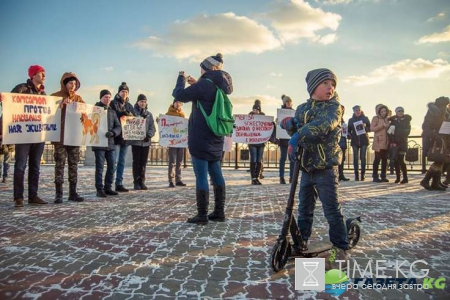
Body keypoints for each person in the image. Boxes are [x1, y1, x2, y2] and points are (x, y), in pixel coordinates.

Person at [281, 68, 349, 270]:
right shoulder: (302, 108)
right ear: (313, 87)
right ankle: (301, 243)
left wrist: (296, 134)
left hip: (325, 167)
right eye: (326, 83)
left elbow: (322, 125)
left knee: (331, 210)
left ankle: (341, 247)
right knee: (304, 210)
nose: (330, 87)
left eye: (333, 84)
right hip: (307, 167)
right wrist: (290, 125)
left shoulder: (334, 108)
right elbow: (299, 128)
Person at [172, 53, 233, 224]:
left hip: (200, 136)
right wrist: (196, 84)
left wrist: (181, 78)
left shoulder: (204, 85)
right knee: (216, 172)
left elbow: (179, 95)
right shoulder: (220, 85)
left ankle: (202, 215)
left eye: (201, 67)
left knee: (201, 176)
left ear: (206, 68)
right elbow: (206, 94)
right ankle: (219, 212)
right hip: (216, 136)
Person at [7, 65, 48, 207]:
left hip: (38, 136)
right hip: (23, 136)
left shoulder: (43, 94)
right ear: (33, 75)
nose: (44, 76)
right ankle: (18, 197)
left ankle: (33, 195)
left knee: (35, 166)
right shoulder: (21, 88)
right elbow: (8, 105)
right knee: (20, 166)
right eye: (41, 73)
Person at [51, 72, 85, 203]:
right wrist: (60, 106)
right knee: (59, 164)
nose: (73, 86)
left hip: (74, 137)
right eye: (71, 83)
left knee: (73, 164)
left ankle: (73, 192)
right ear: (64, 83)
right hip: (60, 137)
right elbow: (49, 113)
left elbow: (84, 115)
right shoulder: (55, 97)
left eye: (75, 84)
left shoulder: (78, 98)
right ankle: (58, 193)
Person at [92, 90, 121, 198]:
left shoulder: (112, 112)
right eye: (105, 97)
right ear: (100, 98)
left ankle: (108, 187)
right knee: (100, 167)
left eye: (109, 97)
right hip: (99, 143)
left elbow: (118, 127)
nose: (108, 99)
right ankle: (99, 189)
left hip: (110, 143)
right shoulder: (94, 110)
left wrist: (113, 133)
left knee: (112, 167)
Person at [110, 82, 136, 192]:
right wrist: (122, 113)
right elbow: (113, 115)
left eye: (126, 92)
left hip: (126, 137)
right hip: (116, 136)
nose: (124, 93)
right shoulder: (113, 103)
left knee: (122, 162)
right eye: (122, 91)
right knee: (113, 161)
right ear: (118, 92)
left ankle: (119, 183)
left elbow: (134, 118)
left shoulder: (130, 105)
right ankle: (109, 184)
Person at [420, 96, 450, 190]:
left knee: (441, 160)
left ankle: (436, 182)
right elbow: (426, 127)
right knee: (439, 160)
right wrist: (435, 135)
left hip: (443, 138)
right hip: (436, 139)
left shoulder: (445, 112)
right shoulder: (433, 112)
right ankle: (426, 180)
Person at [128, 94, 156, 190]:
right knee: (136, 162)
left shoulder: (149, 114)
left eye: (144, 101)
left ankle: (142, 181)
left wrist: (149, 135)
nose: (143, 103)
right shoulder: (133, 112)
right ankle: (136, 181)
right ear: (137, 102)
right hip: (136, 141)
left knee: (143, 162)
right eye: (141, 101)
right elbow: (128, 123)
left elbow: (152, 127)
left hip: (146, 142)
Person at [165, 100, 187, 188]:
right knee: (172, 161)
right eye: (176, 102)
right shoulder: (168, 113)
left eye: (180, 103)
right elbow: (165, 126)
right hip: (172, 141)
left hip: (181, 141)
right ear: (173, 103)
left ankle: (178, 179)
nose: (178, 104)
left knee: (180, 161)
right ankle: (171, 180)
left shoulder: (182, 114)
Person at [387, 107, 412, 184]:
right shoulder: (393, 121)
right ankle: (398, 177)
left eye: (402, 111)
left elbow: (407, 132)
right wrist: (391, 137)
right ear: (396, 112)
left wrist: (396, 131)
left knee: (401, 160)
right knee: (395, 161)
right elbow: (389, 132)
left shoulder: (407, 121)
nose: (400, 112)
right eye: (399, 111)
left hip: (402, 143)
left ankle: (405, 177)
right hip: (395, 143)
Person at [348, 105, 370, 181]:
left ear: (361, 110)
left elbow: (370, 128)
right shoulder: (351, 120)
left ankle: (363, 175)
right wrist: (349, 134)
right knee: (355, 158)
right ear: (354, 111)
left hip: (364, 140)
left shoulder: (365, 118)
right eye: (356, 110)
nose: (357, 111)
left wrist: (365, 127)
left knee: (363, 158)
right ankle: (356, 175)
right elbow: (348, 130)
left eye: (358, 110)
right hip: (354, 140)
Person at [370, 104, 390, 183]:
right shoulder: (375, 118)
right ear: (379, 112)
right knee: (377, 159)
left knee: (385, 160)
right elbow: (372, 128)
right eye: (382, 111)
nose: (383, 113)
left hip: (386, 141)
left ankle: (383, 176)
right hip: (378, 141)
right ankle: (375, 176)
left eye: (384, 111)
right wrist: (382, 126)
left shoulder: (387, 119)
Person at [278, 95, 295, 184]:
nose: (289, 103)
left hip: (291, 139)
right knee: (283, 158)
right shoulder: (281, 113)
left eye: (290, 102)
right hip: (283, 140)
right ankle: (281, 177)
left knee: (292, 159)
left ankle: (292, 177)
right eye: (287, 102)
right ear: (284, 103)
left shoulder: (293, 112)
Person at [248, 100, 266, 185]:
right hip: (252, 143)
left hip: (261, 143)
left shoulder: (263, 117)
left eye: (257, 110)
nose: (255, 111)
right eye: (254, 110)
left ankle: (257, 177)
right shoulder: (249, 117)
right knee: (253, 159)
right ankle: (253, 178)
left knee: (259, 160)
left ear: (259, 110)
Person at [338, 104, 350, 181]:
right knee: (337, 160)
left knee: (342, 160)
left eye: (342, 110)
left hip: (343, 141)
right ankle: (337, 175)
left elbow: (345, 132)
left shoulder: (342, 120)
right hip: (337, 142)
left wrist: (348, 134)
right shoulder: (334, 118)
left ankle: (341, 175)